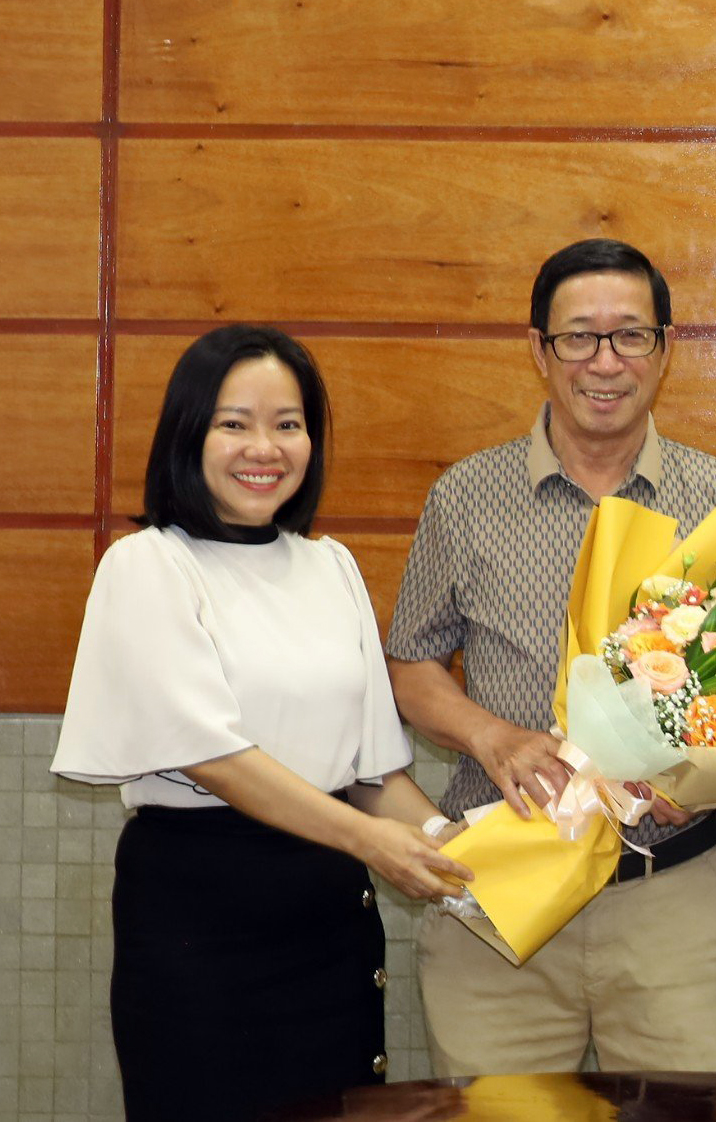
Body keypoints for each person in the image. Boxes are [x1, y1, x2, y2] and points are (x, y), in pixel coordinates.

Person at [51, 324, 473, 1121]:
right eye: (234, 422)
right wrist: (371, 842)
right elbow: (215, 757)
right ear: (189, 433)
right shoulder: (148, 565)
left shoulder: (331, 565)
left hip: (327, 917)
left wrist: (476, 859)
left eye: (289, 424)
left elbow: (376, 778)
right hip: (200, 914)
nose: (265, 447)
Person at [385, 238, 716, 1074]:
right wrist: (492, 738)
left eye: (630, 336)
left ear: (665, 350)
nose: (605, 362)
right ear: (538, 350)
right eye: (578, 337)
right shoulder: (467, 497)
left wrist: (697, 770)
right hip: (501, 892)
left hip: (671, 900)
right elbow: (410, 666)